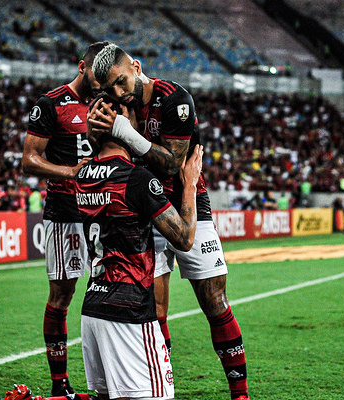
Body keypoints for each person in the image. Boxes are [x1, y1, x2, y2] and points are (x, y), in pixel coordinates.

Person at [88, 44, 249, 400]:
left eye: (120, 81)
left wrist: (126, 133)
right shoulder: (117, 103)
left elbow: (173, 165)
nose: (118, 92)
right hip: (146, 208)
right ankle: (159, 386)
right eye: (110, 89)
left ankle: (240, 394)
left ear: (136, 66)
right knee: (154, 309)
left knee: (215, 302)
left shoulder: (174, 98)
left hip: (190, 202)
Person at [75, 124, 203, 400]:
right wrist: (190, 184)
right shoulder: (136, 178)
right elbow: (184, 238)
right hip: (129, 309)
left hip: (93, 307)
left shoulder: (82, 175)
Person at [21, 41, 110, 397]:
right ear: (81, 66)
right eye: (97, 74)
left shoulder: (108, 103)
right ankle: (60, 386)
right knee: (62, 295)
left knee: (109, 292)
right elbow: (29, 160)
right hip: (65, 214)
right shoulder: (51, 104)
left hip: (104, 214)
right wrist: (70, 172)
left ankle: (107, 381)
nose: (102, 82)